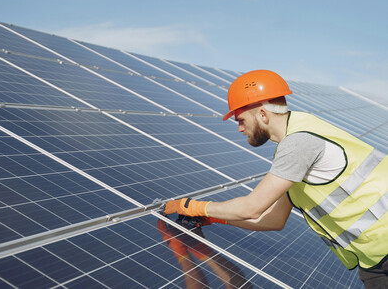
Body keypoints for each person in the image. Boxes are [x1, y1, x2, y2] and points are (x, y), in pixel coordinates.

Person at [163, 70, 388, 288]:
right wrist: (218, 219)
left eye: (240, 119)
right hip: (375, 257)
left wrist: (195, 207)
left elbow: (251, 207)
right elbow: (273, 219)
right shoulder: (300, 134)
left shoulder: (298, 144)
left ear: (262, 114)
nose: (240, 128)